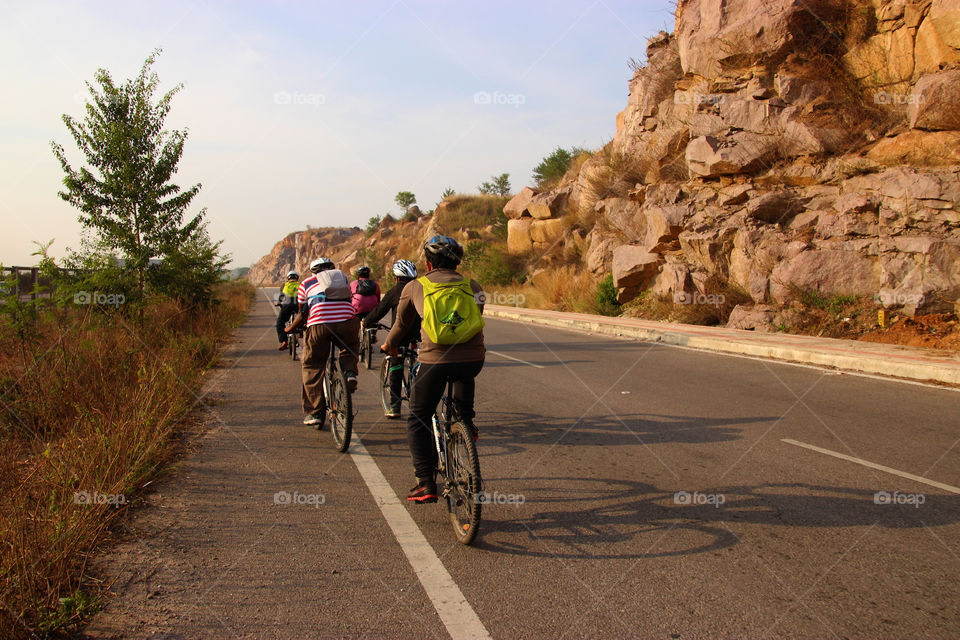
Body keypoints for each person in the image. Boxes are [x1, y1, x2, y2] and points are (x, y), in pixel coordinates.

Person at [382, 236, 485, 503]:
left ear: (428, 264)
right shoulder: (474, 286)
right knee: (463, 369)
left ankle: (425, 483)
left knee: (418, 417)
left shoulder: (416, 286)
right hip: (473, 358)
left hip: (435, 359)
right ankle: (467, 422)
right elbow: (478, 314)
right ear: (457, 262)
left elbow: (401, 325)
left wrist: (389, 345)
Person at [286, 257, 360, 427]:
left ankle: (315, 413)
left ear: (314, 270)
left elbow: (303, 314)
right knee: (350, 348)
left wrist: (291, 329)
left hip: (319, 324)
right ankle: (349, 373)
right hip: (347, 322)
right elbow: (348, 300)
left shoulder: (306, 283)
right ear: (332, 268)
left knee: (312, 365)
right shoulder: (342, 277)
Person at [363, 259, 419, 419]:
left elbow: (380, 311)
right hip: (419, 333)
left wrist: (366, 321)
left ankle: (394, 406)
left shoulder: (395, 291)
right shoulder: (421, 289)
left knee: (396, 365)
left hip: (399, 335)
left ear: (396, 277)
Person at [275, 270, 300, 350]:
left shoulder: (284, 285)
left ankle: (284, 341)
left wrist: (278, 303)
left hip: (287, 306)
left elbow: (281, 297)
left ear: (288, 278)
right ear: (297, 277)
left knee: (280, 323)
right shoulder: (301, 284)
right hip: (298, 306)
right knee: (304, 318)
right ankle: (301, 333)